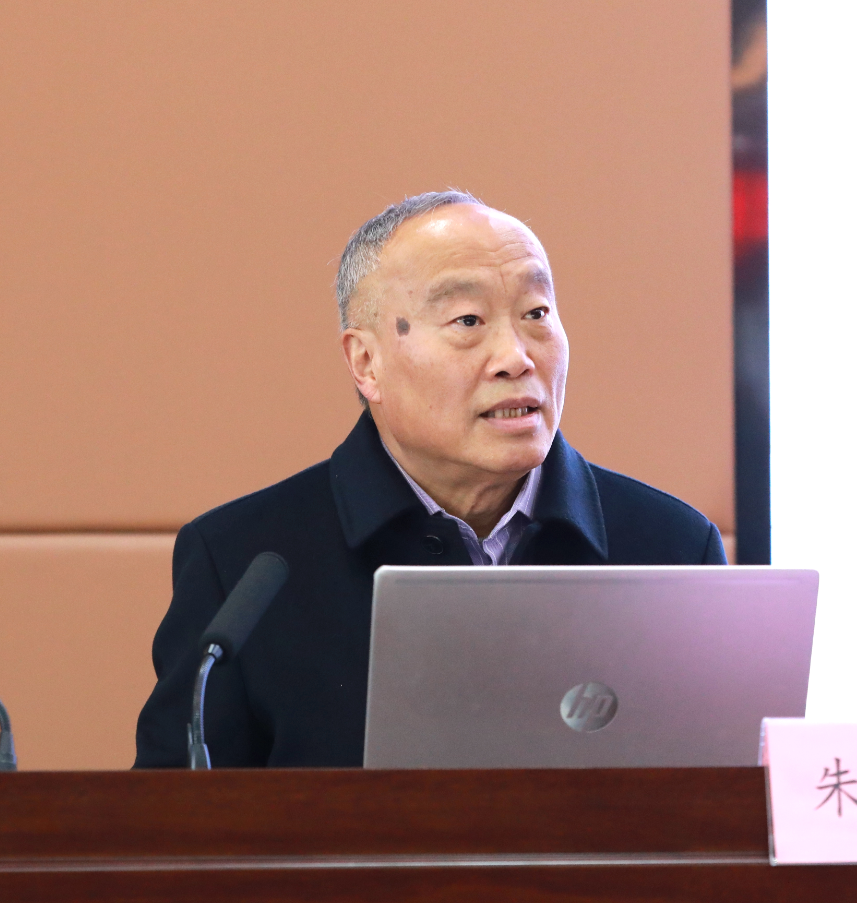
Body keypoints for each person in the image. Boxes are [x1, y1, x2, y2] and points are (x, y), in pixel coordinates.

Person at [134, 191, 726, 768]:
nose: (516, 357)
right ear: (367, 362)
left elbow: (726, 803)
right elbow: (172, 819)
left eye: (536, 314)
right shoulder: (244, 565)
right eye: (468, 320)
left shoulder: (672, 548)